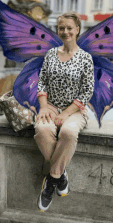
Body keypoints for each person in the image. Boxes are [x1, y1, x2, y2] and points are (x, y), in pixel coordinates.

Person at [34, 13, 95, 212]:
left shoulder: (86, 58)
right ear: (58, 30)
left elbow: (87, 91)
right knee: (42, 130)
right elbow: (42, 81)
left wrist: (66, 113)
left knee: (68, 132)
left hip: (76, 109)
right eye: (62, 28)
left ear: (77, 29)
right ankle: (61, 176)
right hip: (50, 106)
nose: (65, 32)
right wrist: (44, 107)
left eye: (69, 28)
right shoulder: (51, 54)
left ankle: (52, 180)